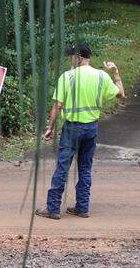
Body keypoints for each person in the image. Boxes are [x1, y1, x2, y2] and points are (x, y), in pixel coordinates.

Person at [36, 43, 125, 220]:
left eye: (72, 56)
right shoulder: (101, 77)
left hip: (72, 129)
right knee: (85, 168)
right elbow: (121, 94)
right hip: (91, 128)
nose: (70, 59)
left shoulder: (67, 77)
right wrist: (115, 72)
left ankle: (53, 208)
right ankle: (82, 207)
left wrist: (50, 128)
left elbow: (58, 106)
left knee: (63, 167)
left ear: (79, 58)